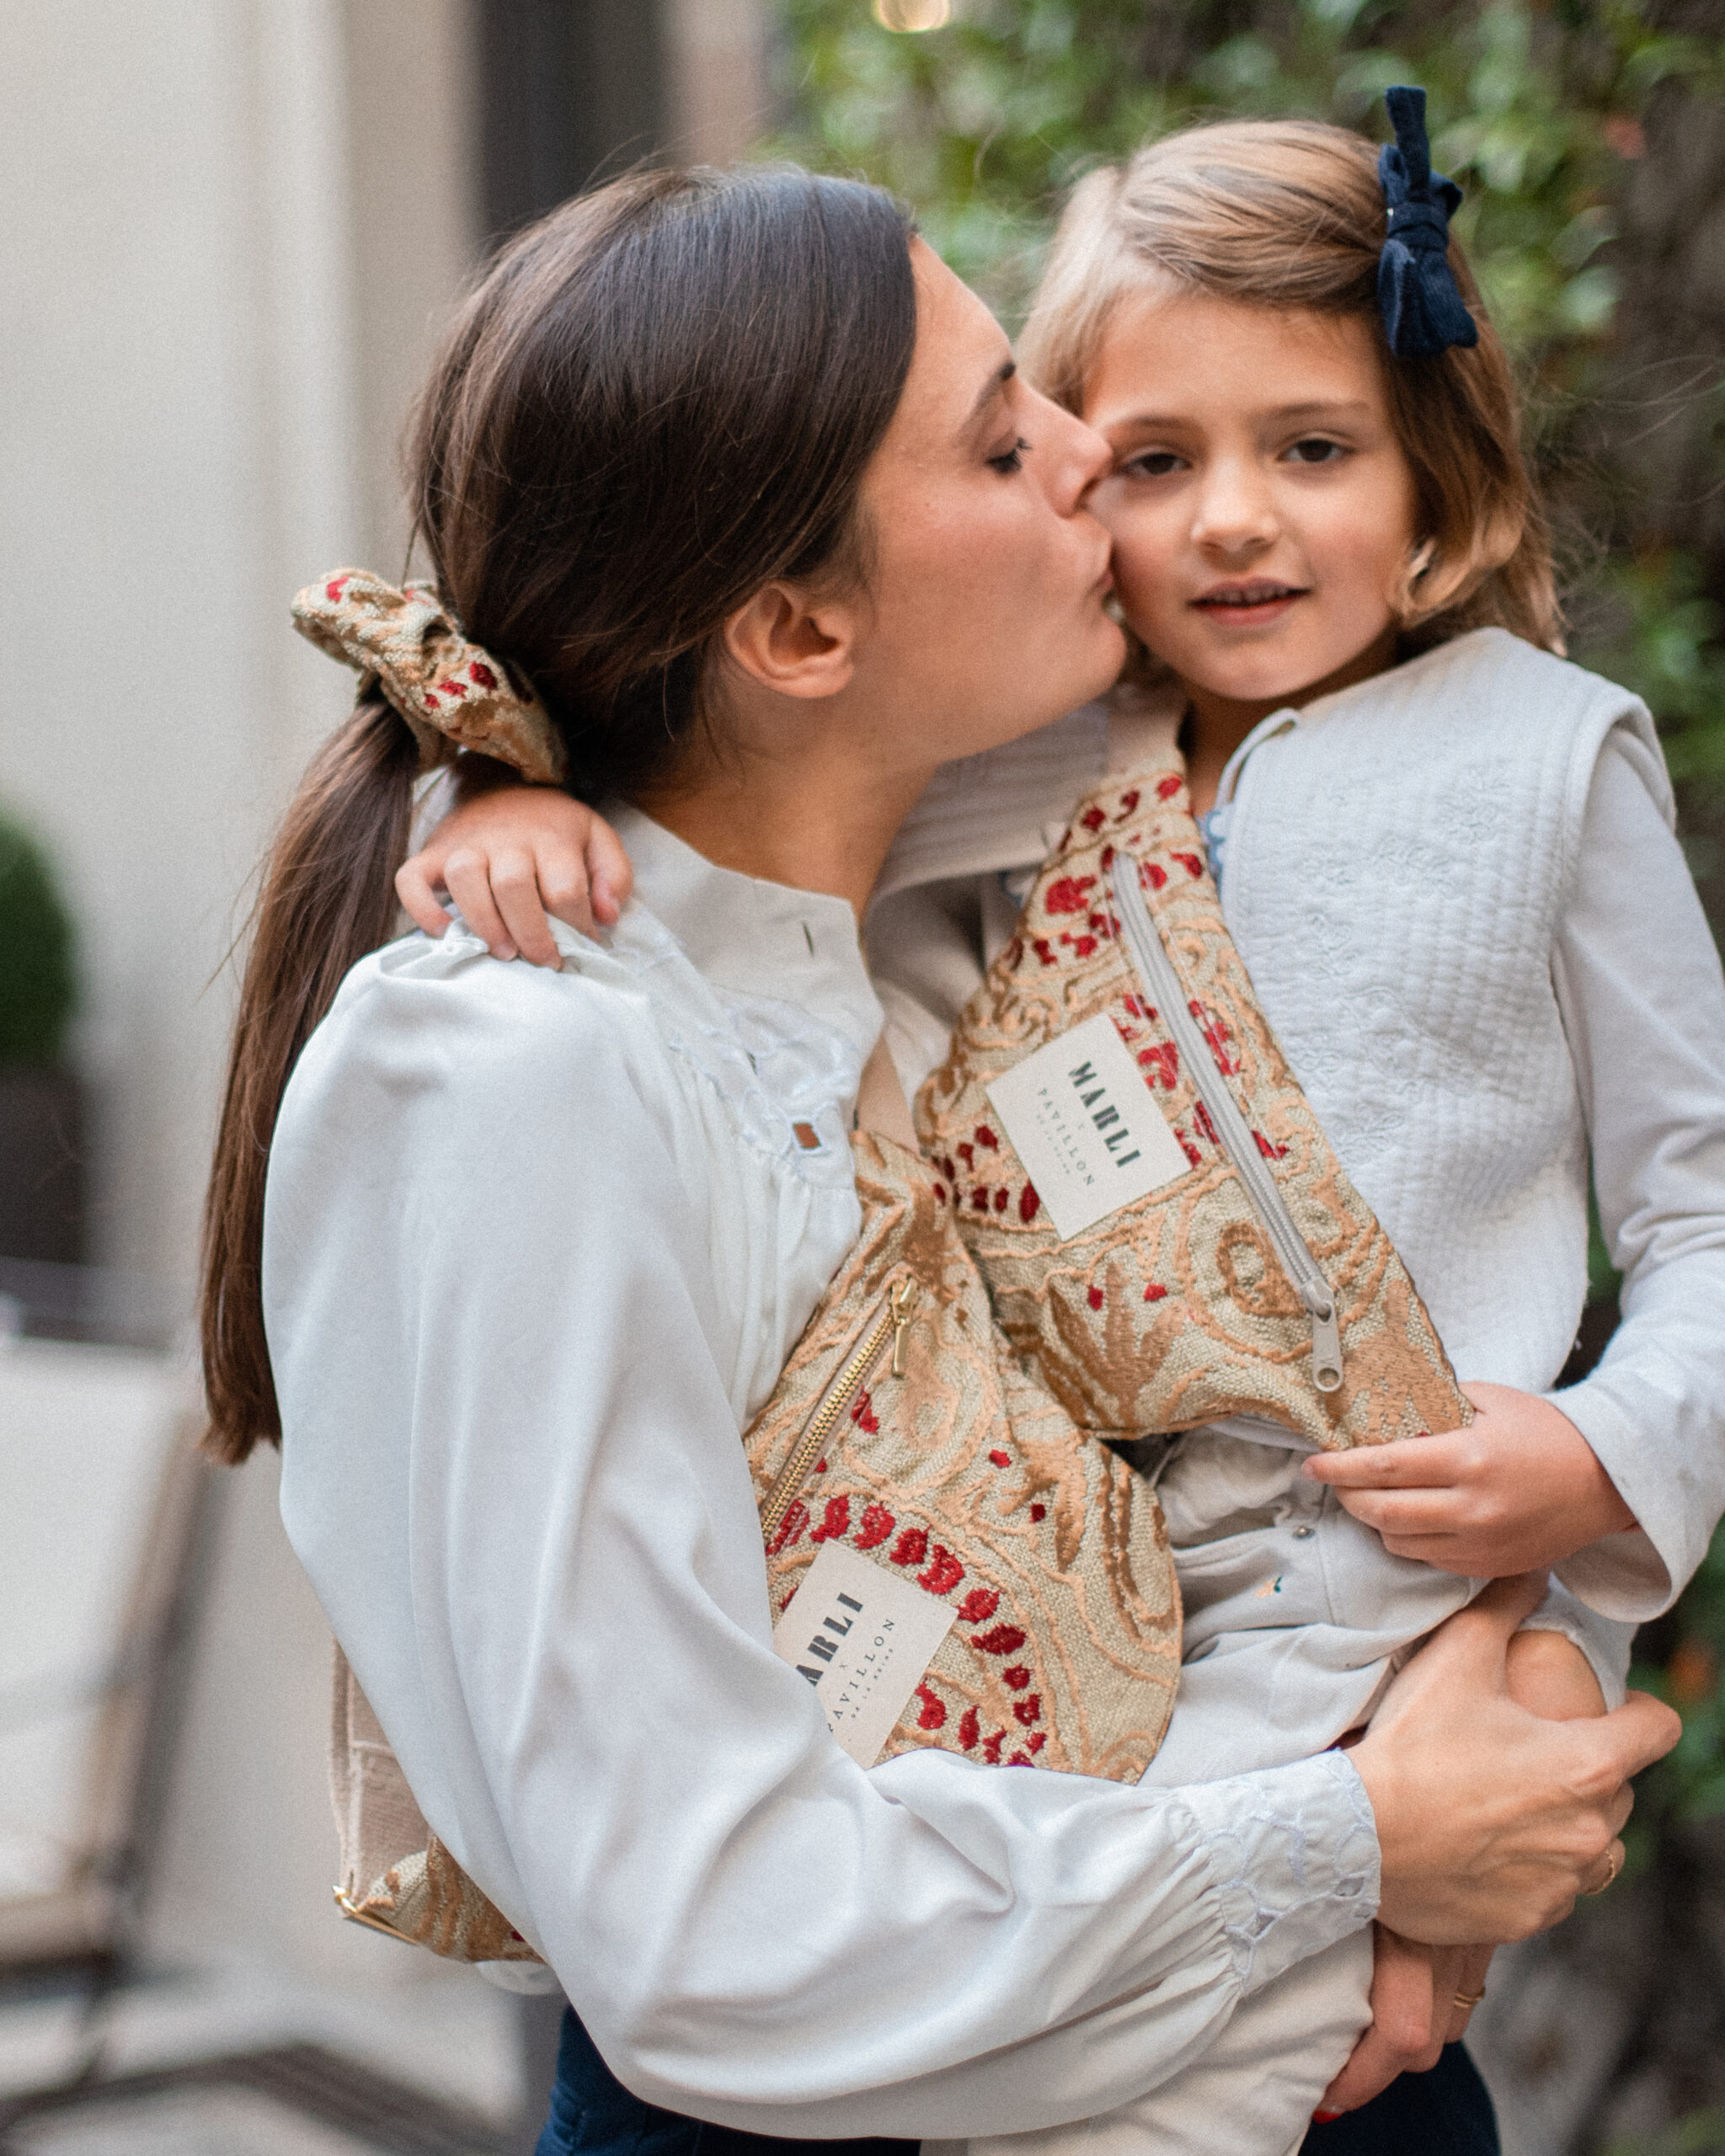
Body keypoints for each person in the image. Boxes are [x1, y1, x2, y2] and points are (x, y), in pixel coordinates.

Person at [202, 164, 1679, 2156]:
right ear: (801, 619)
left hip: (1317, 2038)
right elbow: (710, 1928)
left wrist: (1488, 1680)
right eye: (1012, 435)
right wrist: (1366, 1839)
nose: (1112, 475)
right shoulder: (520, 1063)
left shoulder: (977, 870)